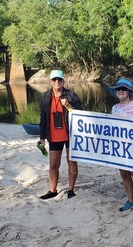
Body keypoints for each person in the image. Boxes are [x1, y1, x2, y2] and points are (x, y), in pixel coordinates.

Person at [38, 70, 83, 200]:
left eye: (59, 80)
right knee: (53, 165)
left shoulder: (71, 95)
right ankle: (53, 190)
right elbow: (43, 118)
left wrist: (69, 105)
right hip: (53, 135)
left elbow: (80, 114)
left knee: (72, 163)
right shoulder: (45, 97)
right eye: (54, 80)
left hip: (70, 134)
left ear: (63, 81)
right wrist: (42, 137)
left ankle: (71, 190)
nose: (57, 82)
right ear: (50, 81)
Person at [109, 78, 133, 214]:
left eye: (123, 89)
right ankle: (130, 200)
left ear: (129, 91)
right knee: (124, 175)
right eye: (118, 89)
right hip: (120, 147)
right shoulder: (115, 108)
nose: (120, 91)